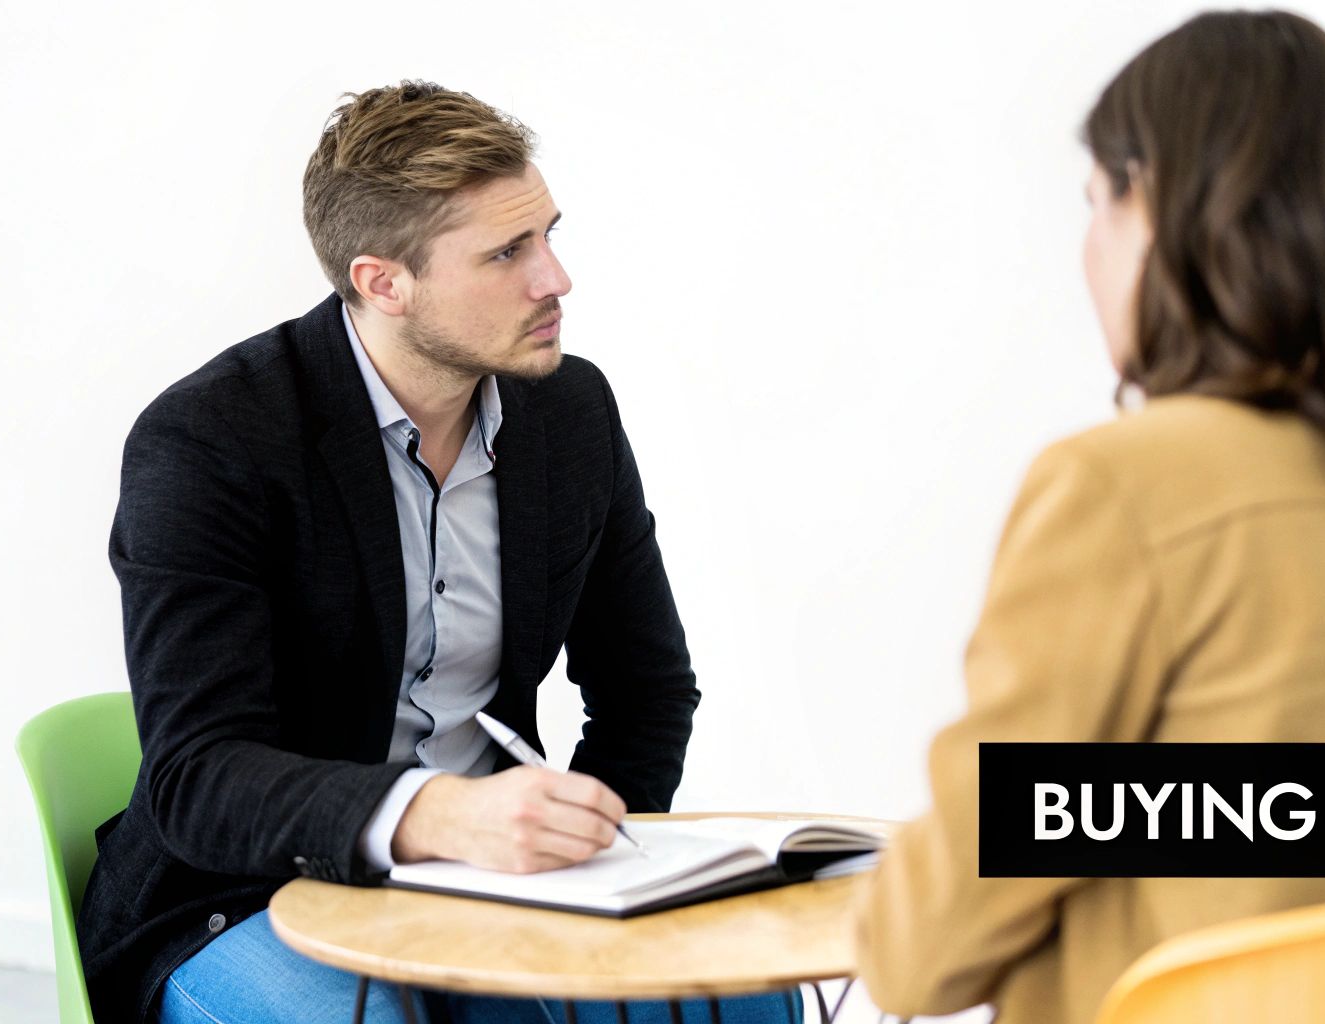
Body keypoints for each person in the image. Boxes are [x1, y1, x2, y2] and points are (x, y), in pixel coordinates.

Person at [851, 11, 1325, 1023]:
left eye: (1096, 204)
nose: (1086, 250)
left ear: (1158, 208)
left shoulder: (1119, 488)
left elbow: (918, 955)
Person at [77, 81, 800, 1024]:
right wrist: (439, 815)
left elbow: (648, 687)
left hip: (488, 880)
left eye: (547, 234)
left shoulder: (569, 414)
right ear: (384, 281)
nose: (555, 279)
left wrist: (597, 863)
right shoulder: (212, 440)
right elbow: (199, 776)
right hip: (237, 895)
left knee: (742, 998)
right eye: (508, 252)